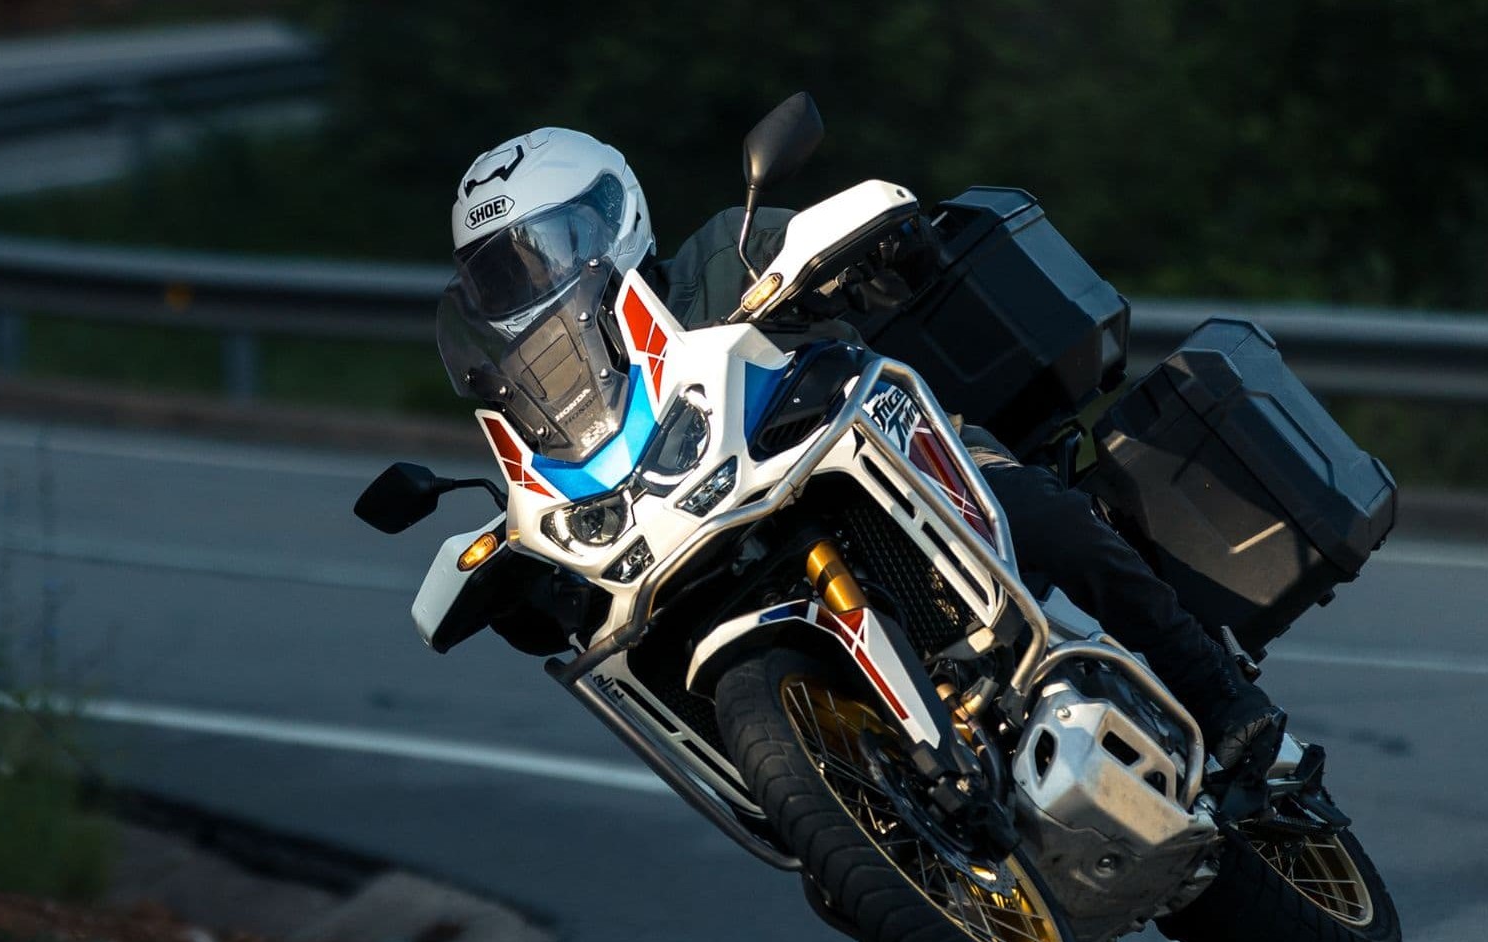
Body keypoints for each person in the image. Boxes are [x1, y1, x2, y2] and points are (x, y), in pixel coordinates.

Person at [445, 127, 1284, 776]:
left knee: (1046, 515)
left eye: (552, 242)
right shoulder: (541, 408)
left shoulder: (721, 251)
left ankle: (1217, 692)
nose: (536, 278)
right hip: (719, 527)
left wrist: (873, 255)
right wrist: (522, 574)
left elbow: (873, 256)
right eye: (504, 273)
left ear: (615, 213)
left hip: (879, 451)